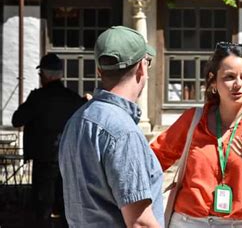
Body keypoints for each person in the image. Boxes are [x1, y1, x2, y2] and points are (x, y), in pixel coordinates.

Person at [151, 41, 242, 227]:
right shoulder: (193, 119)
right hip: (188, 222)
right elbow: (152, 161)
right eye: (229, 77)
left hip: (239, 224)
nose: (238, 84)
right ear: (213, 81)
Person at [59, 26, 164, 227]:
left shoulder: (77, 120)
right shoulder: (122, 131)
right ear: (142, 67)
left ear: (99, 71)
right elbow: (140, 223)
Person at [12, 53, 85, 225]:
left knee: (42, 208)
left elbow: (17, 120)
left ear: (45, 75)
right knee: (66, 205)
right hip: (67, 161)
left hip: (43, 160)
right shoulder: (73, 98)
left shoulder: (37, 98)